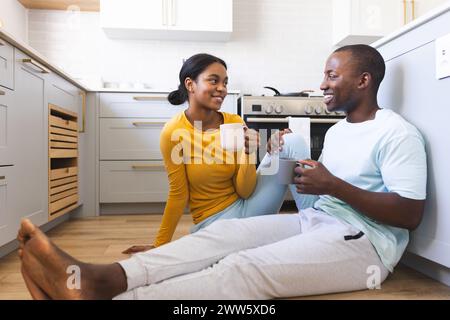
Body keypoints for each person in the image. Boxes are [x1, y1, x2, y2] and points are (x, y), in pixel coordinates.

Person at [18, 44, 427, 300]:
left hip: (365, 244)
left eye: (331, 75)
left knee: (242, 268)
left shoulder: (397, 133)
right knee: (223, 237)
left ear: (364, 80)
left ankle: (105, 297)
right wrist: (313, 182)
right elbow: (179, 193)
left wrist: (327, 182)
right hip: (317, 220)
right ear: (189, 84)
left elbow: (409, 215)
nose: (321, 83)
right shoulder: (339, 131)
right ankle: (102, 278)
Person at [123, 53, 310, 254]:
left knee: (291, 142)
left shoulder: (234, 122)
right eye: (214, 80)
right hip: (215, 223)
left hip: (247, 207)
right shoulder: (173, 132)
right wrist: (160, 245)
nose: (222, 88)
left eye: (225, 83)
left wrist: (248, 153)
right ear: (190, 84)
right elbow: (178, 194)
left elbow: (245, 191)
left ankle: (317, 226)